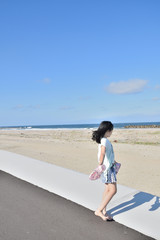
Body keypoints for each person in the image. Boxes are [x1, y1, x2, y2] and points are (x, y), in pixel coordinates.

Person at [92, 121, 117, 221]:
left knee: (107, 190)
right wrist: (100, 165)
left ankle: (103, 210)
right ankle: (99, 210)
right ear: (108, 130)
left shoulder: (103, 140)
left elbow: (106, 154)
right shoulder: (105, 141)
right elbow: (102, 153)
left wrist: (113, 161)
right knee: (113, 190)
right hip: (107, 169)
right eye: (111, 130)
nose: (111, 132)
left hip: (107, 167)